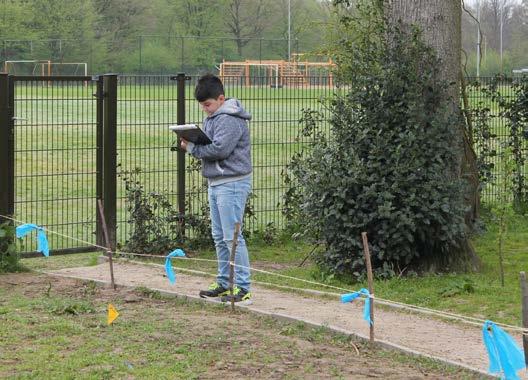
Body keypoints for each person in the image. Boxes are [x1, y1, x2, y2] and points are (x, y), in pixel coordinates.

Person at [180, 73, 252, 303]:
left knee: (233, 237)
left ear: (221, 98)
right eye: (202, 106)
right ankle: (223, 281)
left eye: (208, 105)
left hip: (231, 183)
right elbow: (210, 145)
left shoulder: (229, 118)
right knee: (219, 236)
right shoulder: (213, 117)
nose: (205, 109)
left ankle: (242, 287)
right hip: (216, 182)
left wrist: (192, 149)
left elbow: (220, 150)